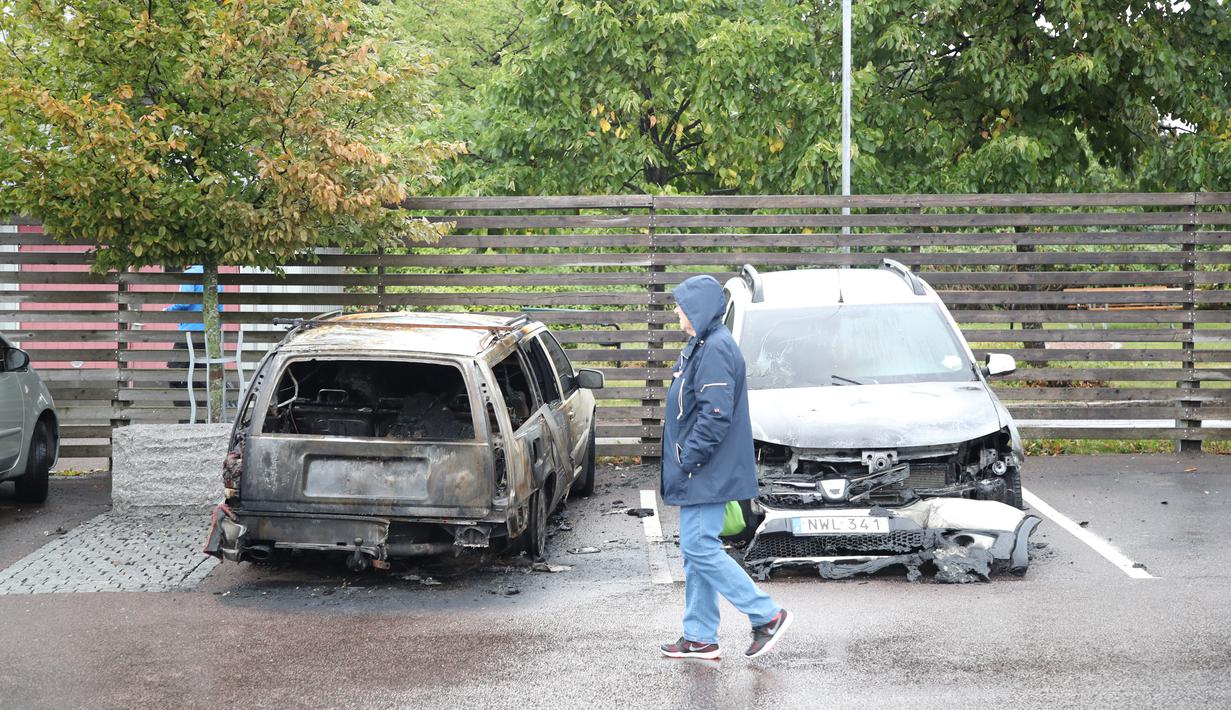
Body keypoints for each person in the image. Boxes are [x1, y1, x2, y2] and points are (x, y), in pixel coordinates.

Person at [659, 274, 792, 661]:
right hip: (701, 471)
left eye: (681, 305)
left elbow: (715, 415)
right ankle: (699, 636)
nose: (676, 311)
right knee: (695, 550)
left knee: (700, 547)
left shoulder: (715, 349)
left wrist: (689, 459)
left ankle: (766, 615)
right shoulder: (703, 344)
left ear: (697, 308)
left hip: (705, 471)